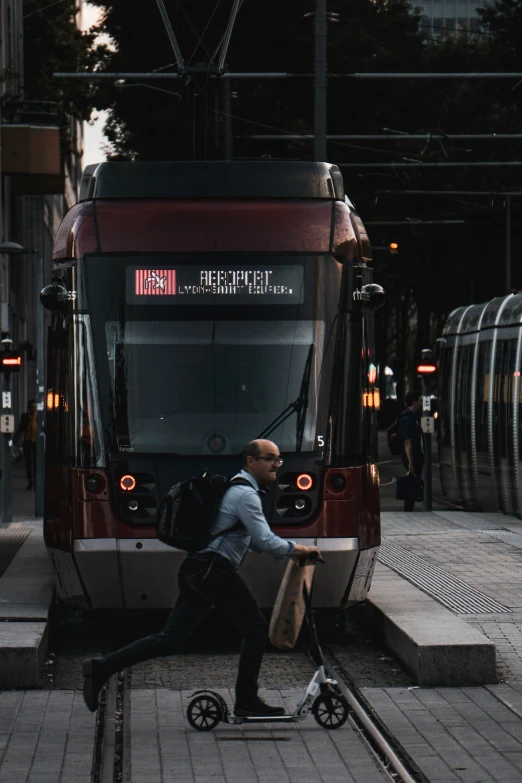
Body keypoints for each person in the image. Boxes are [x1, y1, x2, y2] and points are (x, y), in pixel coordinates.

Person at [82, 439, 321, 716]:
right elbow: (266, 540)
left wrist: (288, 553)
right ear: (251, 462)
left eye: (278, 459)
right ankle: (246, 701)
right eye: (269, 459)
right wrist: (301, 549)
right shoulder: (246, 495)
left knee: (170, 640)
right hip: (213, 570)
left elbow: (254, 541)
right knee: (255, 629)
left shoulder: (239, 490)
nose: (276, 465)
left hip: (197, 568)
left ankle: (101, 669)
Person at [399, 390, 424, 512]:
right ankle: (408, 510)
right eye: (419, 401)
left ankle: (409, 508)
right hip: (412, 456)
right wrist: (410, 462)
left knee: (414, 481)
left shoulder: (413, 416)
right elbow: (407, 441)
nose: (421, 403)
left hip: (416, 455)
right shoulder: (407, 418)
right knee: (412, 481)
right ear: (414, 402)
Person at [16, 399, 37, 490]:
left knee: (36, 463)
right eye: (32, 407)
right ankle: (30, 481)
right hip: (27, 442)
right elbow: (21, 427)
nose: (34, 409)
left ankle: (36, 481)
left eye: (35, 407)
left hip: (36, 442)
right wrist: (28, 417)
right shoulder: (25, 416)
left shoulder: (39, 416)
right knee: (28, 463)